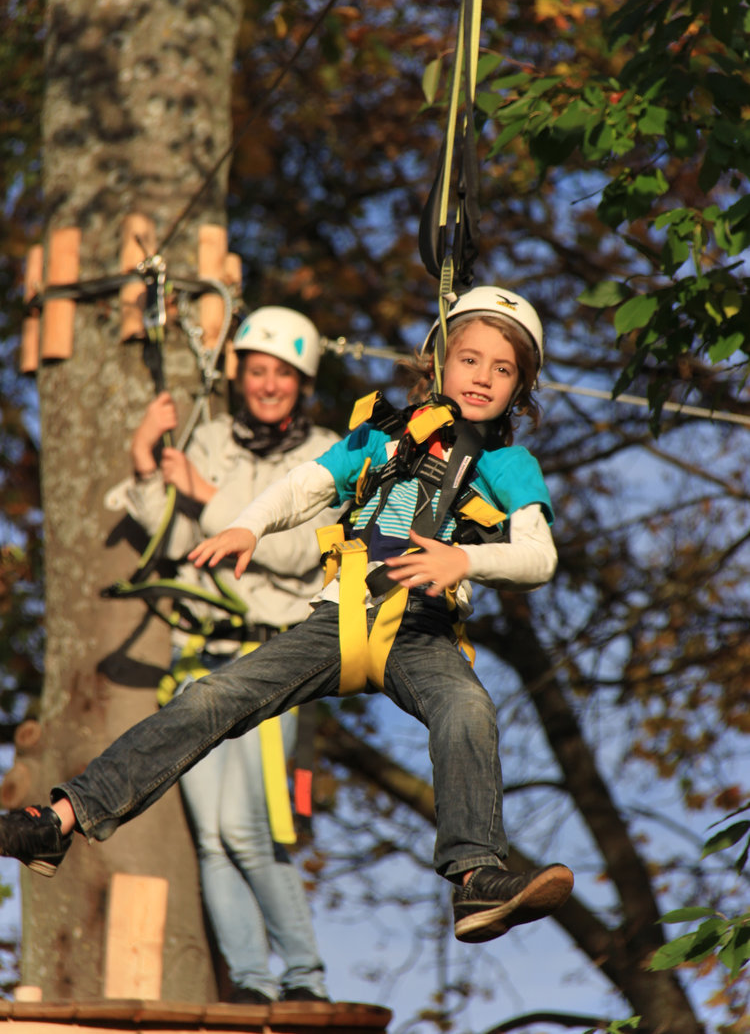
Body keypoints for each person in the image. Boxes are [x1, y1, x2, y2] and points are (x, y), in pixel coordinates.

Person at [0, 286, 574, 946]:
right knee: (210, 698)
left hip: (421, 630)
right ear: (438, 363)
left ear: (519, 389)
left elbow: (539, 554)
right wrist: (249, 526)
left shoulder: (506, 464)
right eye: (470, 360)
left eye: (503, 371)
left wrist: (464, 563)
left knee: (468, 709)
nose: (484, 378)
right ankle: (60, 820)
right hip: (339, 618)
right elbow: (307, 484)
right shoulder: (385, 434)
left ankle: (477, 877)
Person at [125, 306, 338, 1004]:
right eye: (257, 370)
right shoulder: (210, 438)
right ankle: (249, 982)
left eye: (283, 373)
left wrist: (207, 495)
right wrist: (145, 463)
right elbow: (169, 533)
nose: (268, 384)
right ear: (239, 374)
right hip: (199, 657)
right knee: (212, 838)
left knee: (251, 829)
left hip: (270, 657)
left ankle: (304, 978)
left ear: (302, 382)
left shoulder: (330, 456)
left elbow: (294, 554)